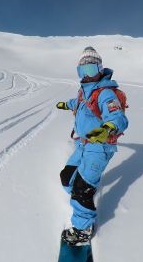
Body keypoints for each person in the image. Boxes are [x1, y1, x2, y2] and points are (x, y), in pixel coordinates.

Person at [55, 46, 129, 245]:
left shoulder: (105, 93)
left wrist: (107, 127)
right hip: (82, 144)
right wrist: (65, 104)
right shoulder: (84, 92)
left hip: (100, 146)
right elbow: (77, 103)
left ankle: (82, 228)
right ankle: (83, 200)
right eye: (83, 70)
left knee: (81, 189)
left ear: (100, 69)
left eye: (91, 69)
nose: (87, 75)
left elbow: (118, 117)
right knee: (66, 178)